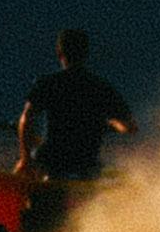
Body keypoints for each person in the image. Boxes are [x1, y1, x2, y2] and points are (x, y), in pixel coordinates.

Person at [16, 26, 136, 193]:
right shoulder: (102, 87)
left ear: (59, 54)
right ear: (86, 54)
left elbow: (26, 119)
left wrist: (25, 159)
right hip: (86, 164)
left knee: (26, 166)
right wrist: (109, 124)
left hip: (52, 161)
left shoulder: (48, 83)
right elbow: (130, 127)